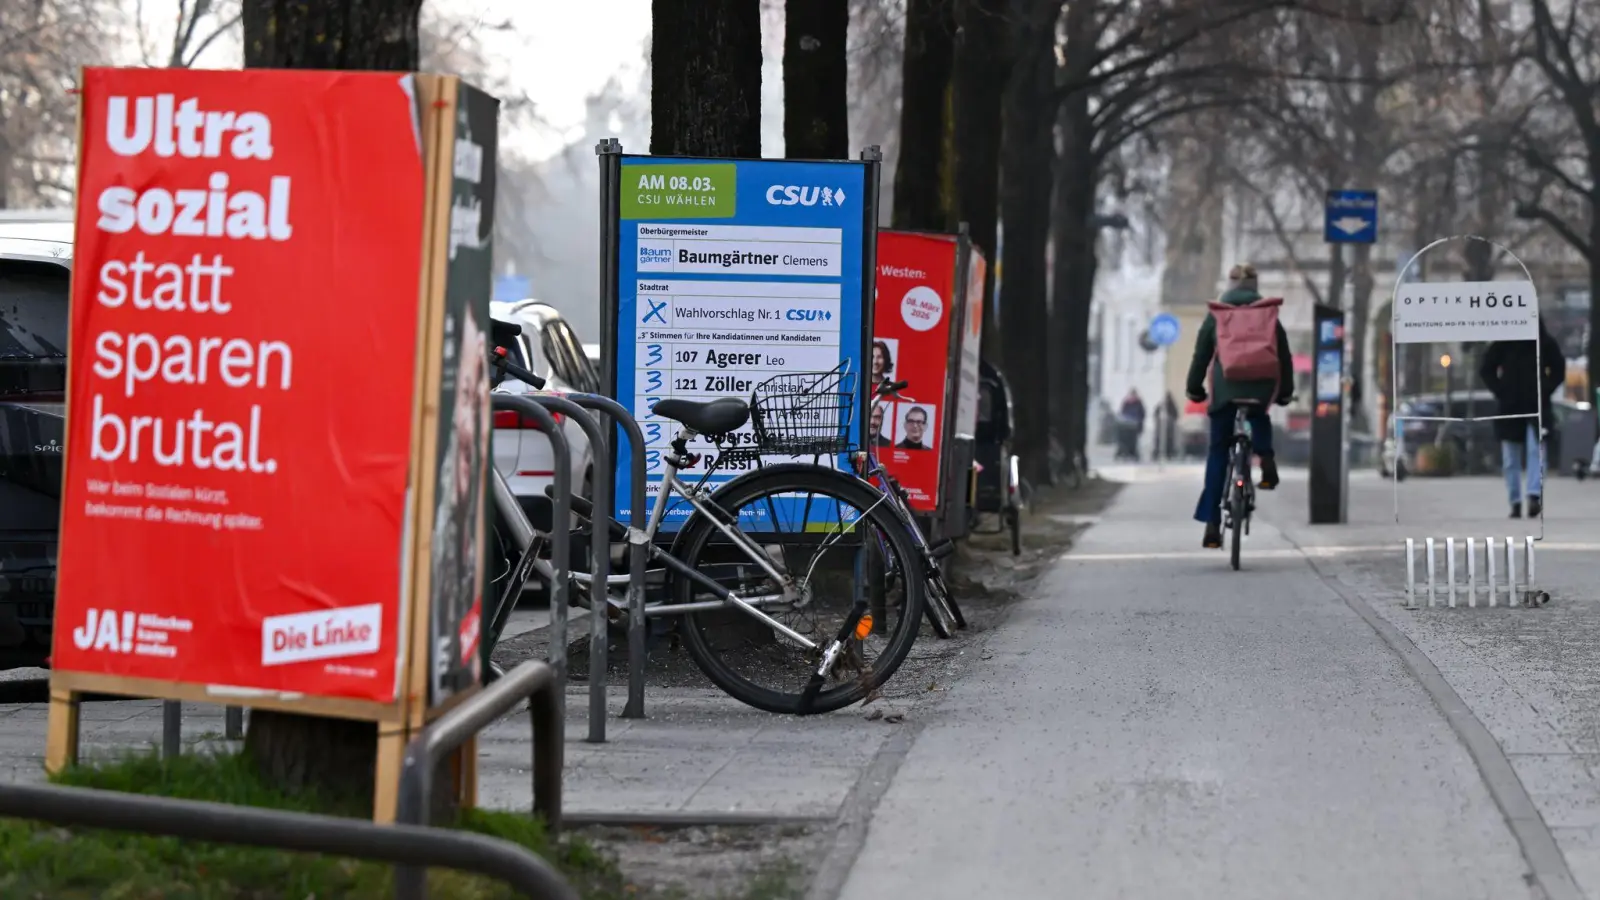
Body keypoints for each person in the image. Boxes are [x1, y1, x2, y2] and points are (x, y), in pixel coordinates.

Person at [1185, 263, 1293, 549]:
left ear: (1229, 286)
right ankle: (1266, 460)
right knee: (1259, 415)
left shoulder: (1217, 315)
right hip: (1260, 387)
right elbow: (1284, 356)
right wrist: (1285, 392)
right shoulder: (1268, 313)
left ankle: (1211, 523)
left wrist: (1194, 389)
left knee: (1218, 450)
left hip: (1224, 390)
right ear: (1255, 286)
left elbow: (1201, 356)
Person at [1480, 323, 1566, 518]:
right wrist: (1501, 390)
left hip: (1537, 404)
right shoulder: (1504, 342)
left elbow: (1559, 368)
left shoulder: (1544, 342)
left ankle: (1533, 495)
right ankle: (1515, 500)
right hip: (1510, 405)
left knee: (1537, 450)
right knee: (1511, 458)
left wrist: (1545, 389)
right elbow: (1486, 369)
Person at [1117, 389, 1146, 461]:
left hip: (1135, 425)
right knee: (1126, 440)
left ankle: (1132, 453)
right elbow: (1123, 412)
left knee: (1134, 441)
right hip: (1127, 425)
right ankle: (1126, 452)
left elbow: (1142, 414)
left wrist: (1139, 422)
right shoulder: (1126, 403)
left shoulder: (1138, 403)